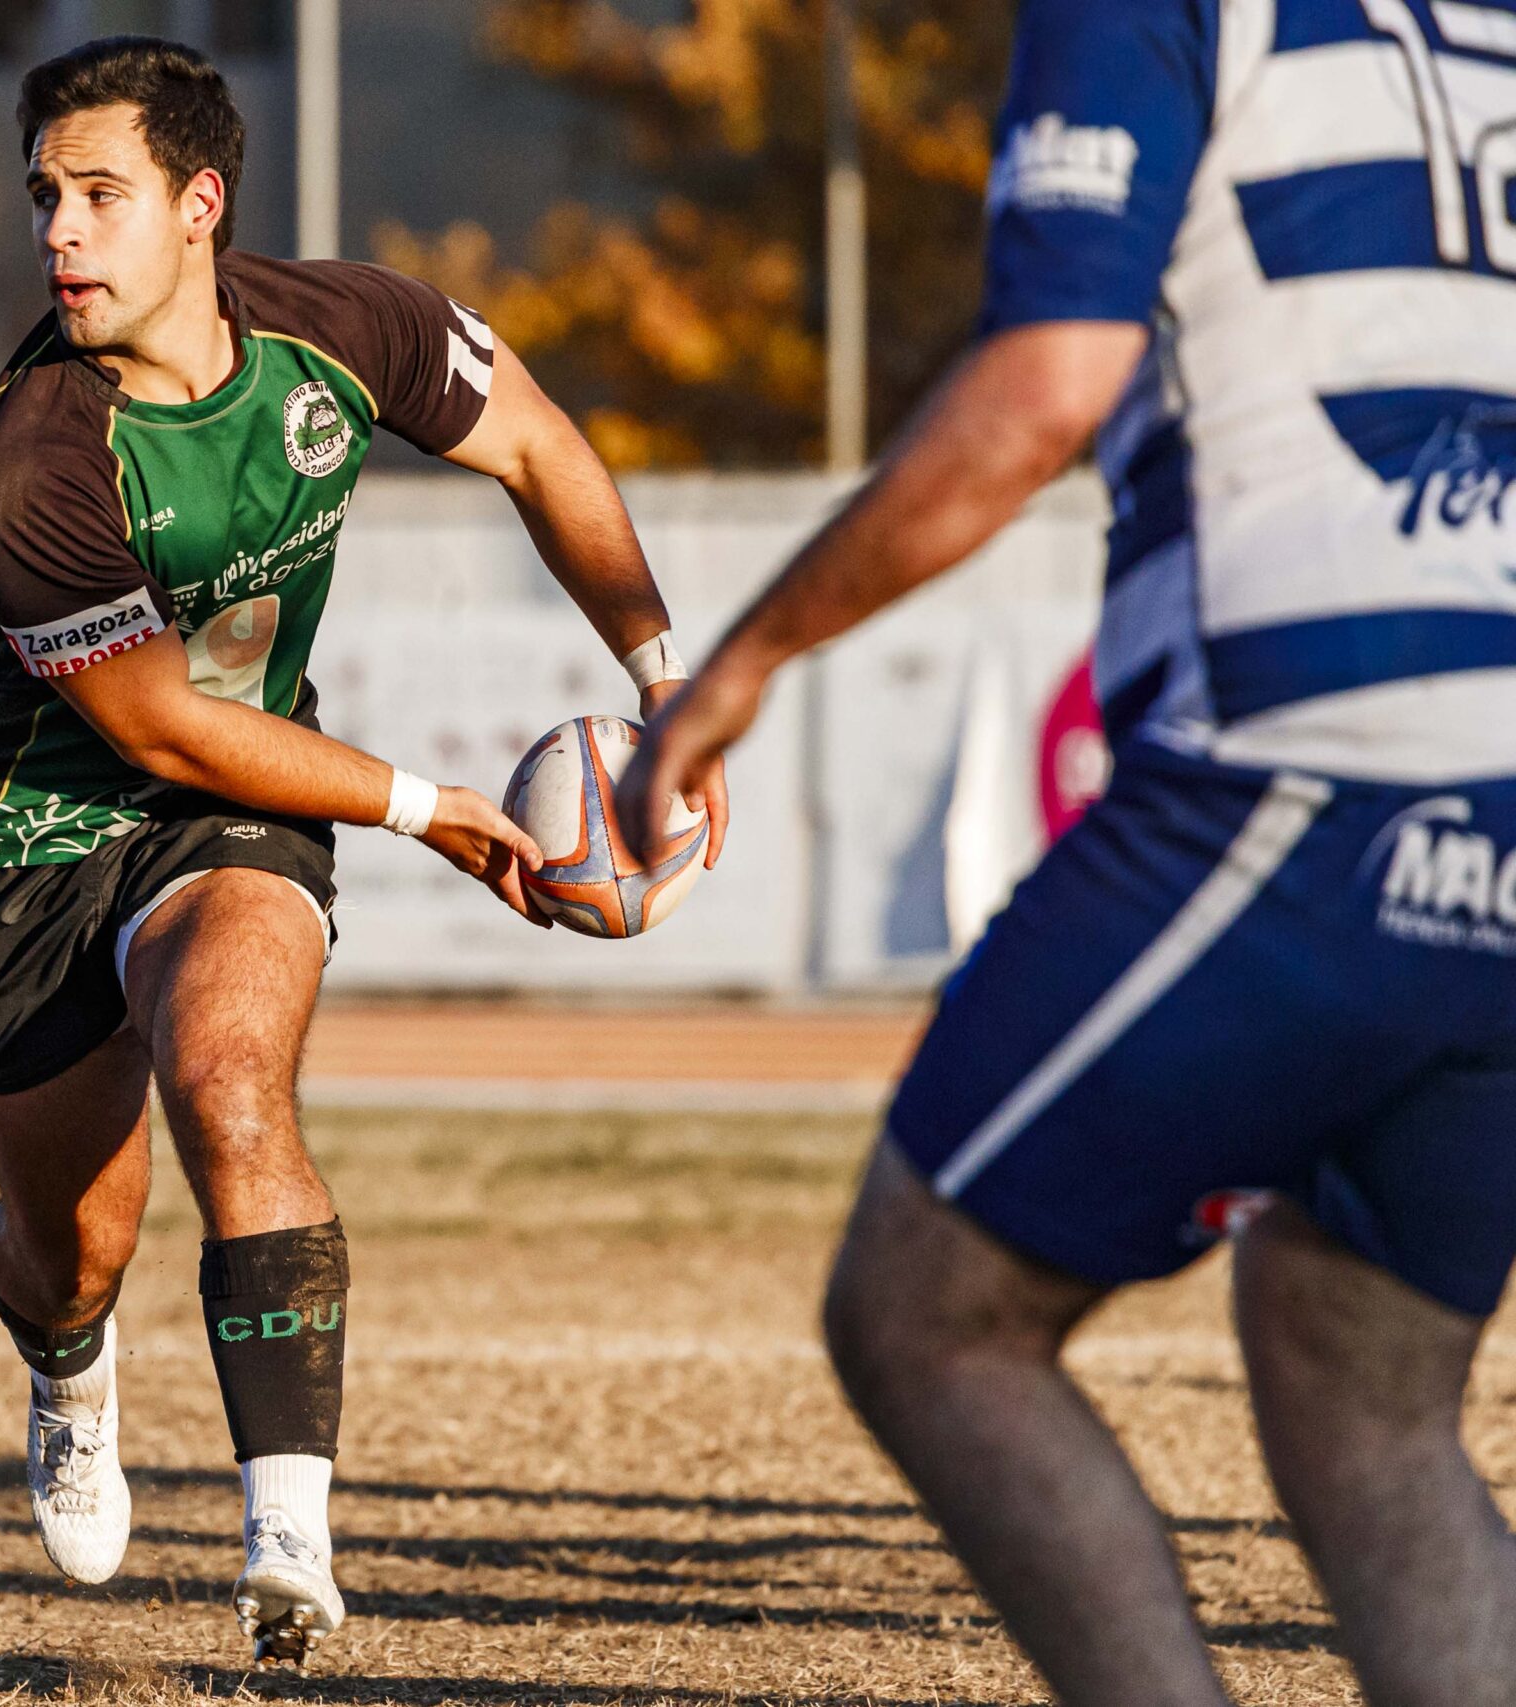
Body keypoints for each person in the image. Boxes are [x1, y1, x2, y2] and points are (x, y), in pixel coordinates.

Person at [621, 0, 1516, 1700]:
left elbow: (1046, 384)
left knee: (927, 1317)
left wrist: (740, 662)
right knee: (1364, 1383)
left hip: (1313, 757)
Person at [0, 34, 728, 1667]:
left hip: (234, 819)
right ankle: (70, 1366)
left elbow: (543, 450)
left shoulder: (350, 330)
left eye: (99, 196)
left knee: (232, 1075)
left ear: (198, 205)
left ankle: (288, 1539)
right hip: (32, 844)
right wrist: (428, 808)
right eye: (43, 201)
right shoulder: (28, 457)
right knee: (74, 1245)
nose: (60, 235)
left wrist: (667, 687)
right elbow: (157, 729)